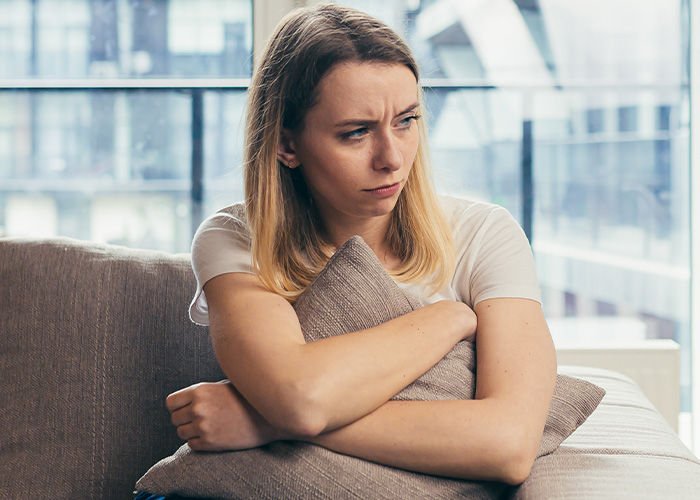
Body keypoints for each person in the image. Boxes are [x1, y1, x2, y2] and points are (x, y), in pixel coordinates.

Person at [165, 2, 556, 487]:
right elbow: (300, 399)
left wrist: (262, 422)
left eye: (407, 120)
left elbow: (508, 445)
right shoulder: (237, 240)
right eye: (356, 133)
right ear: (287, 144)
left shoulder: (484, 235)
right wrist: (447, 318)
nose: (391, 158)